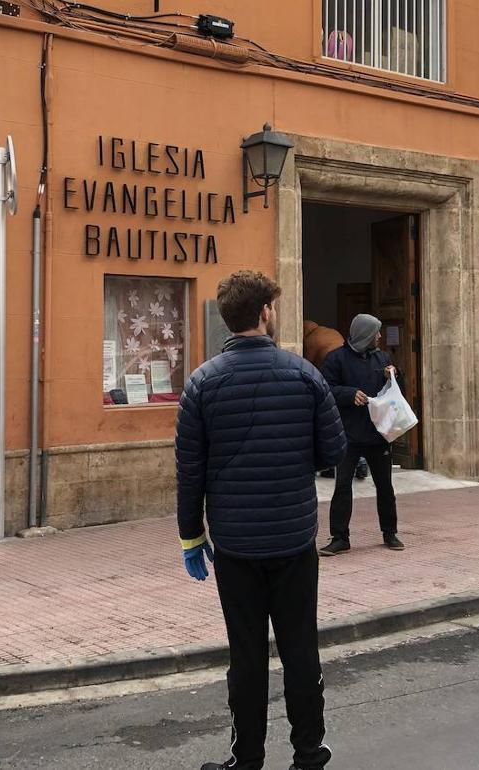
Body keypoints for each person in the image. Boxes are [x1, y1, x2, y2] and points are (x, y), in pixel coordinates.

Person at [176, 270, 346, 770]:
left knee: (246, 657)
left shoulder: (201, 384)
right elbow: (335, 450)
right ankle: (309, 753)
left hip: (236, 546)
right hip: (294, 539)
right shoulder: (304, 375)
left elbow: (189, 473)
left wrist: (191, 537)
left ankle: (246, 759)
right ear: (265, 313)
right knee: (300, 649)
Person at [319, 314, 405, 556]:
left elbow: (396, 394)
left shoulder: (383, 358)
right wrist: (349, 394)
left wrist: (394, 376)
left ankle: (390, 533)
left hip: (378, 435)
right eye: (376, 332)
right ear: (365, 334)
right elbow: (325, 390)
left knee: (385, 486)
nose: (379, 336)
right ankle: (339, 538)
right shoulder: (336, 359)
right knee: (343, 487)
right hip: (348, 435)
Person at [304, 320, 369, 482]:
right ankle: (360, 462)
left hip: (333, 381)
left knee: (329, 424)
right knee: (347, 422)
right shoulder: (331, 332)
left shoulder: (313, 339)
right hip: (349, 375)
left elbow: (307, 366)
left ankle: (337, 463)